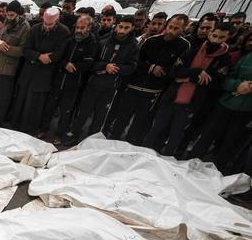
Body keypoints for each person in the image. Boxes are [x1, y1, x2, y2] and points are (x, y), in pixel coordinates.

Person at [146, 22, 233, 156]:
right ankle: (145, 152)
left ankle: (167, 158)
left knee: (176, 133)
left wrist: (189, 78)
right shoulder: (193, 49)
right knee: (157, 128)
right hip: (172, 96)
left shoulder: (225, 59)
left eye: (221, 37)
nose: (215, 40)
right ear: (210, 34)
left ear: (227, 38)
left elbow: (216, 82)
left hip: (192, 102)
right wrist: (197, 72)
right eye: (214, 36)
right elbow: (175, 72)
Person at [107, 14, 190, 145]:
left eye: (176, 28)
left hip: (154, 90)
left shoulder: (184, 46)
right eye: (170, 27)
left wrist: (165, 72)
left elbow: (178, 69)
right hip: (134, 85)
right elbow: (136, 61)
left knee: (140, 121)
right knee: (122, 117)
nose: (171, 31)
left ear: (183, 28)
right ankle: (113, 140)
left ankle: (130, 144)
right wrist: (151, 67)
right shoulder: (151, 41)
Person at [64, 15, 139, 145]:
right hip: (94, 82)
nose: (122, 31)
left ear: (132, 28)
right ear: (116, 25)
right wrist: (104, 66)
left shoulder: (133, 46)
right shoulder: (104, 41)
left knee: (100, 115)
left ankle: (92, 140)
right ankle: (74, 134)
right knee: (83, 111)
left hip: (111, 86)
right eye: (120, 27)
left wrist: (116, 68)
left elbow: (132, 67)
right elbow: (91, 62)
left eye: (126, 28)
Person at [187, 32, 250, 174]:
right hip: (226, 103)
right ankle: (191, 162)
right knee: (208, 134)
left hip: (246, 110)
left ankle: (218, 171)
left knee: (230, 141)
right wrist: (237, 85)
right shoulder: (245, 57)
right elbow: (227, 78)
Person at [11, 7, 70, 136]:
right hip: (29, 72)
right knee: (22, 101)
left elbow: (59, 54)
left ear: (57, 20)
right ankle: (17, 126)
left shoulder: (64, 32)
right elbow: (26, 50)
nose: (47, 27)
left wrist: (47, 57)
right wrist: (40, 56)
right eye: (45, 24)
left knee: (36, 104)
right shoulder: (35, 29)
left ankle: (30, 129)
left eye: (50, 24)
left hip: (45, 74)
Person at [44, 15, 97, 145]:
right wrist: (65, 64)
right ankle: (43, 129)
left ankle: (59, 134)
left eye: (82, 27)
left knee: (65, 111)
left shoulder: (92, 43)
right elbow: (59, 56)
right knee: (50, 106)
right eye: (77, 27)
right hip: (59, 79)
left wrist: (75, 66)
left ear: (89, 28)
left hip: (74, 83)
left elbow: (89, 64)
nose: (79, 30)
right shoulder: (69, 40)